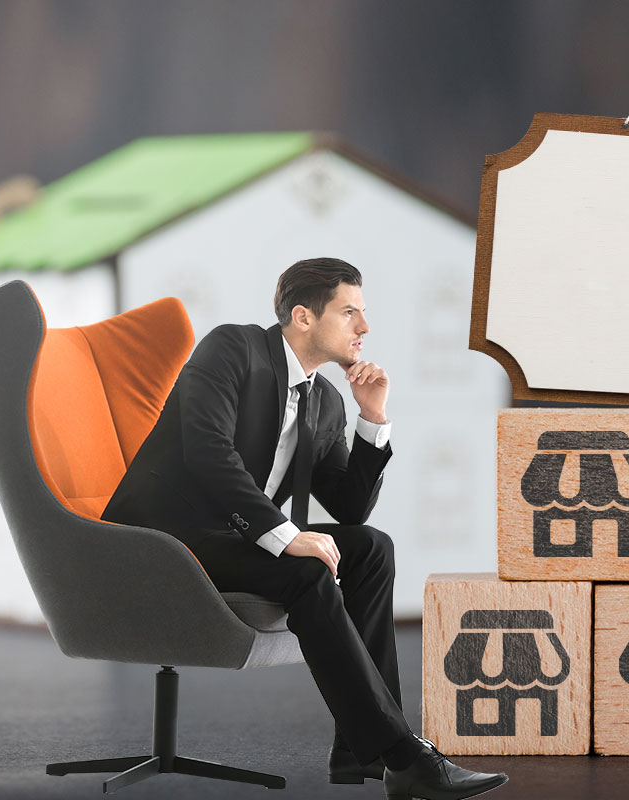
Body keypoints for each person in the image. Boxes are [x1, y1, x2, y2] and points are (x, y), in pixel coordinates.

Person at [103, 257, 507, 800]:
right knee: (309, 572)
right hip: (162, 538)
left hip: (231, 536)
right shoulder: (233, 350)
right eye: (350, 312)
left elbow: (349, 508)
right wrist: (288, 537)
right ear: (303, 317)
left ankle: (359, 750)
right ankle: (405, 756)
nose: (364, 327)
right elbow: (209, 454)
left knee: (370, 549)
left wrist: (373, 418)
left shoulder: (325, 400)